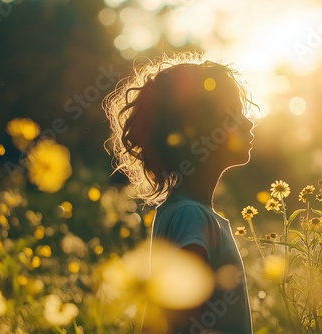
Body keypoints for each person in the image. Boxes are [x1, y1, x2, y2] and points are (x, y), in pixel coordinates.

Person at [104, 53, 255, 333]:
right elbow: (181, 320)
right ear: (200, 133)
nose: (249, 123)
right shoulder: (191, 216)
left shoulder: (183, 211)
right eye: (233, 115)